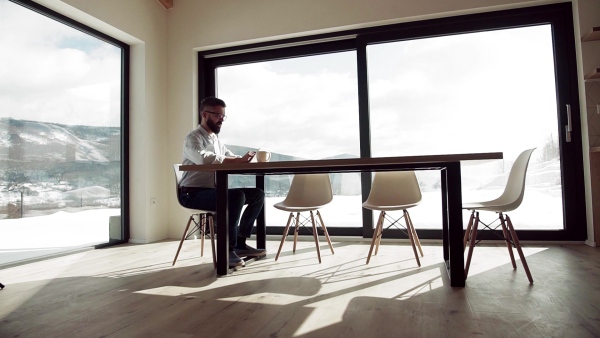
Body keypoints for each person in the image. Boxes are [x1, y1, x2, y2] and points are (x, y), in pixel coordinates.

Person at [180, 96, 266, 268]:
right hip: (192, 193)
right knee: (236, 197)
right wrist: (235, 161)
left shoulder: (216, 141)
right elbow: (203, 159)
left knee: (258, 194)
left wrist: (243, 159)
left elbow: (229, 157)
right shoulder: (193, 138)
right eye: (218, 115)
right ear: (205, 114)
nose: (221, 119)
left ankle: (240, 243)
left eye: (223, 116)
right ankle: (226, 250)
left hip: (212, 192)